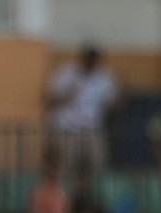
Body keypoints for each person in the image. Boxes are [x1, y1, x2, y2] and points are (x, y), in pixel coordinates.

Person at [46, 44, 119, 175]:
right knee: (66, 167)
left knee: (97, 166)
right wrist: (68, 94)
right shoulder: (67, 74)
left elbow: (114, 102)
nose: (90, 63)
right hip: (67, 130)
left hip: (93, 130)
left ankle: (90, 194)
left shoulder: (104, 77)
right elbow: (50, 100)